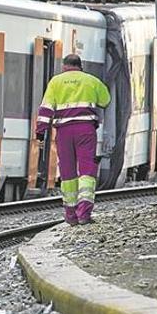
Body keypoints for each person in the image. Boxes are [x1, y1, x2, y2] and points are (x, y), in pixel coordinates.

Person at [36, 54, 111, 225]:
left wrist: (41, 133)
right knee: (86, 170)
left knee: (67, 172)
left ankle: (71, 215)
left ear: (64, 67)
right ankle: (84, 212)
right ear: (80, 66)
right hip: (85, 130)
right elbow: (105, 100)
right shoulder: (91, 80)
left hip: (63, 132)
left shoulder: (55, 82)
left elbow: (46, 109)